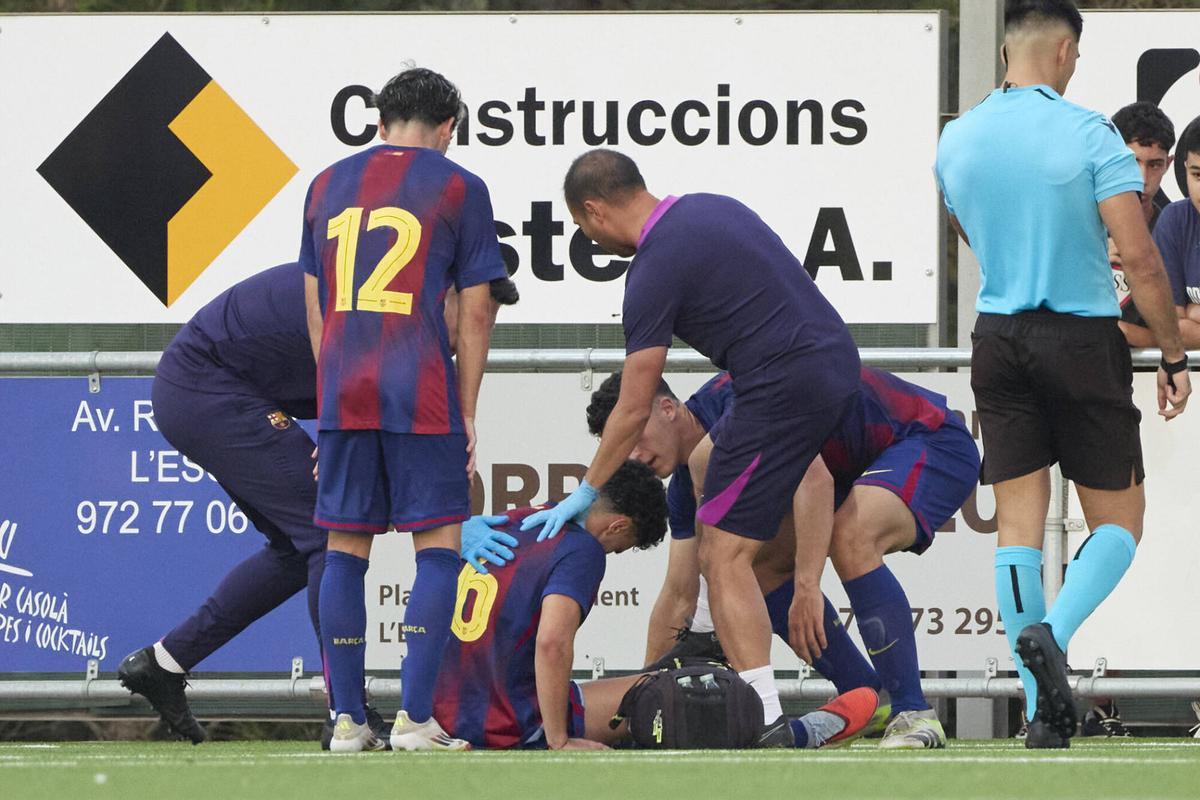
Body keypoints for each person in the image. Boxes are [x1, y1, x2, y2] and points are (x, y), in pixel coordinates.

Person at [521, 149, 862, 747]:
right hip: (830, 364)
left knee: (722, 554)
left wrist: (588, 489)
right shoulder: (711, 209)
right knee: (721, 516)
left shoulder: (651, 270)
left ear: (594, 211)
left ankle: (764, 719)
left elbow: (633, 405)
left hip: (782, 380)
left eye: (583, 230)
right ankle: (791, 692)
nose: (593, 241)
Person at [116, 263, 518, 748]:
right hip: (204, 385)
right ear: (449, 296)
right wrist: (335, 425)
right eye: (476, 322)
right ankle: (345, 710)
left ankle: (165, 662)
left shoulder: (413, 333)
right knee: (328, 536)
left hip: (212, 388)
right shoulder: (388, 308)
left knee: (297, 548)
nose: (472, 340)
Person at [935, 0, 1190, 749]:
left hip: (999, 334)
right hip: (1080, 334)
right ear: (1064, 50)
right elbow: (1140, 256)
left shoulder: (957, 137)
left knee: (1017, 525)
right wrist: (1173, 356)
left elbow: (964, 227)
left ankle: (1040, 706)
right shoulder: (1088, 133)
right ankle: (1054, 632)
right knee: (1121, 520)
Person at [586, 367, 979, 749]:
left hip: (927, 438)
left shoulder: (737, 408)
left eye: (635, 432)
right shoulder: (685, 487)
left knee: (850, 537)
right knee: (752, 570)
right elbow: (677, 593)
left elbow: (815, 478)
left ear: (667, 408)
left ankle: (913, 712)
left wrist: (808, 585)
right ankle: (869, 697)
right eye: (620, 443)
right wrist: (642, 698)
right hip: (850, 466)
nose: (633, 455)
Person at [301, 67, 507, 752]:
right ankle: (417, 721)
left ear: (380, 118)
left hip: (343, 387)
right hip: (417, 383)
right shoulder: (459, 186)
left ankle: (348, 721)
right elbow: (478, 308)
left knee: (344, 549)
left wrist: (329, 382)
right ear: (447, 128)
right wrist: (468, 409)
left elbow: (315, 295)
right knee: (439, 546)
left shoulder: (325, 184)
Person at [443, 460, 880, 750]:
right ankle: (804, 734)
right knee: (668, 700)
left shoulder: (520, 518)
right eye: (621, 547)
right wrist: (558, 739)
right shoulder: (582, 549)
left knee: (648, 682)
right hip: (501, 717)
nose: (612, 554)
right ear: (617, 524)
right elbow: (552, 643)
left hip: (447, 707)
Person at [1109, 102, 1176, 347]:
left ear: (1168, 164)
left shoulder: (1175, 232)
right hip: (1086, 371)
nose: (1142, 179)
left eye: (1154, 164)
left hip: (1158, 374)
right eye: (1132, 161)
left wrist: (1120, 332)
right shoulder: (1082, 227)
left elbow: (1185, 331)